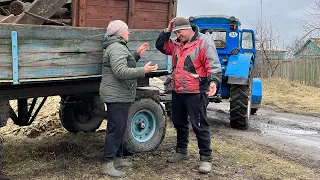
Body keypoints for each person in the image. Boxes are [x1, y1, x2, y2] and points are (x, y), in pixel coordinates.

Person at [156, 17, 222, 173]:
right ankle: (181, 151)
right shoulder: (176, 44)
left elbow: (213, 65)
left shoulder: (204, 42)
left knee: (199, 125)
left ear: (188, 28)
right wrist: (167, 30)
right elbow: (160, 45)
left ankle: (206, 158)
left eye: (179, 32)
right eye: (175, 33)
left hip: (196, 92)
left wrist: (213, 82)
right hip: (178, 90)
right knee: (179, 122)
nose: (178, 36)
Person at [99, 20, 158, 178]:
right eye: (126, 30)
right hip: (116, 94)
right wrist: (142, 71)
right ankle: (107, 163)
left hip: (120, 93)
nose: (129, 32)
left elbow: (122, 63)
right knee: (115, 128)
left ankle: (117, 160)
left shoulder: (117, 46)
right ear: (120, 33)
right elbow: (120, 71)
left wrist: (137, 55)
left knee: (120, 127)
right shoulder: (117, 47)